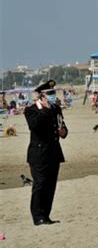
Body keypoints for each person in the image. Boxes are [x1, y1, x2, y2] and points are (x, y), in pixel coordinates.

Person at [24, 80, 68, 226]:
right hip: (38, 154)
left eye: (53, 93)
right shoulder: (31, 110)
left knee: (50, 186)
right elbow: (34, 126)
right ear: (41, 95)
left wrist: (63, 132)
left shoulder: (56, 108)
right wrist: (44, 109)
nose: (52, 96)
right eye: (49, 93)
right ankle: (38, 216)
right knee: (40, 184)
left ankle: (46, 215)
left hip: (53, 153)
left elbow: (62, 126)